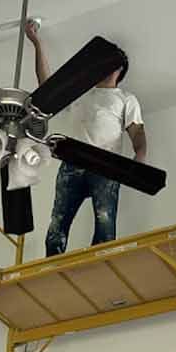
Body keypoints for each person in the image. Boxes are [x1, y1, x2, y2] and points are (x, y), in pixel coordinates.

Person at [24, 20, 147, 256]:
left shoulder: (125, 99)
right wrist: (37, 43)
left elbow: (137, 133)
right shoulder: (80, 93)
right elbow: (47, 86)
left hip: (105, 164)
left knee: (104, 224)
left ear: (118, 69)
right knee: (56, 226)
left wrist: (139, 158)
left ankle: (97, 267)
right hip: (73, 162)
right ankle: (53, 266)